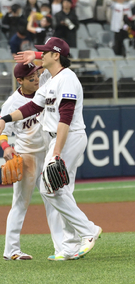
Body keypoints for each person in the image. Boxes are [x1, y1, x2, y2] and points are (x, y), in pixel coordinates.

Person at [4, 37, 102, 260]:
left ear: (55, 55)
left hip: (67, 138)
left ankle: (87, 230)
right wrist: (5, 118)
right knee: (60, 190)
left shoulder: (67, 79)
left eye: (45, 52)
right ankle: (69, 246)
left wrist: (56, 150)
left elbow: (65, 117)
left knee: (50, 189)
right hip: (56, 139)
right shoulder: (50, 80)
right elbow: (32, 106)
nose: (41, 55)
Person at [1, 63, 60, 261]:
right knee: (20, 203)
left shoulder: (42, 87)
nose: (36, 79)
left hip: (47, 153)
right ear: (20, 81)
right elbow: (3, 132)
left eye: (36, 74)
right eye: (30, 77)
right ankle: (11, 250)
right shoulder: (11, 103)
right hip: (27, 157)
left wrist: (36, 59)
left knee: (54, 200)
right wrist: (6, 147)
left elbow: (54, 63)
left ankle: (61, 247)